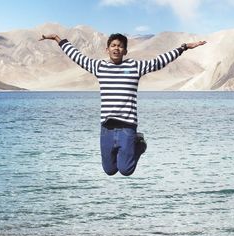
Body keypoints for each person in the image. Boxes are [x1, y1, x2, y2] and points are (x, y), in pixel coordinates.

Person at [40, 33, 206, 176]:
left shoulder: (135, 66)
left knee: (126, 170)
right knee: (109, 170)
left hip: (127, 127)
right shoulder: (99, 67)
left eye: (120, 46)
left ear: (125, 51)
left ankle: (139, 145)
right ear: (107, 49)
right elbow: (77, 56)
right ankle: (127, 151)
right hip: (107, 128)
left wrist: (183, 47)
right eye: (113, 45)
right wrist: (57, 39)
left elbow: (159, 61)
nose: (116, 48)